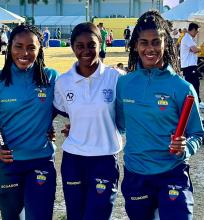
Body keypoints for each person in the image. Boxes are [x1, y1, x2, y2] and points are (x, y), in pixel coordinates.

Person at [116, 10, 204, 219]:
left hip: (172, 172)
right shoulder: (124, 84)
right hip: (136, 175)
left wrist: (185, 147)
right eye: (144, 42)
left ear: (166, 45)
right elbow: (119, 124)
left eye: (156, 42)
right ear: (135, 46)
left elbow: (197, 134)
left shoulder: (182, 88)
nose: (150, 48)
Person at [0, 24, 58, 220]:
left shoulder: (51, 77)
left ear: (40, 48)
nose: (24, 52)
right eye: (18, 46)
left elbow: (70, 107)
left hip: (40, 160)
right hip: (7, 164)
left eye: (31, 47)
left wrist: (61, 125)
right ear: (9, 47)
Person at [53, 22, 122, 220]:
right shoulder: (63, 82)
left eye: (91, 45)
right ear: (72, 47)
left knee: (98, 215)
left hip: (105, 158)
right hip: (73, 159)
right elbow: (66, 113)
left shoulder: (115, 77)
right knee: (75, 215)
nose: (86, 51)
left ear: (100, 44)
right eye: (80, 46)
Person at [180, 22, 204, 109]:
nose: (197, 33)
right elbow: (194, 49)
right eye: (196, 31)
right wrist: (200, 48)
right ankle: (197, 102)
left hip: (189, 65)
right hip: (189, 65)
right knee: (194, 83)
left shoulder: (189, 38)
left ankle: (194, 101)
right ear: (193, 30)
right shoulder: (187, 38)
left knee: (193, 83)